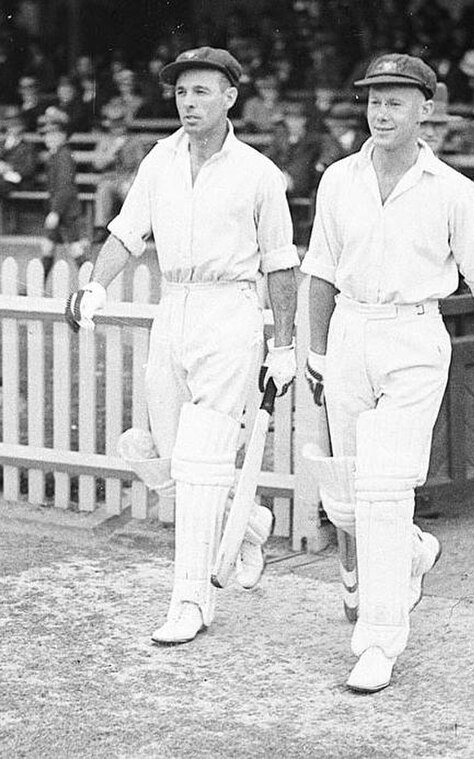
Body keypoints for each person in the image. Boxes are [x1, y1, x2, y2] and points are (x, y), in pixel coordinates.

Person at [301, 53, 474, 694]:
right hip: (349, 332)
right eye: (374, 99)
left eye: (397, 100)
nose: (381, 111)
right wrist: (316, 353)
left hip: (414, 337)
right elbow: (319, 270)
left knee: (382, 491)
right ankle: (412, 552)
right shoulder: (338, 179)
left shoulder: (453, 190)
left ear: (427, 109)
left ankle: (378, 642)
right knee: (346, 497)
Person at [64, 47, 299, 646]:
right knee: (167, 459)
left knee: (198, 463)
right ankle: (246, 520)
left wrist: (285, 344)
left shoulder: (258, 173)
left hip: (230, 311)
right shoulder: (158, 162)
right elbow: (125, 233)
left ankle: (191, 600)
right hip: (175, 307)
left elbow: (279, 265)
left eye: (201, 91)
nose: (188, 103)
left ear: (229, 98)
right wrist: (95, 284)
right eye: (181, 93)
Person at [39, 107, 89, 279]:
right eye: (46, 135)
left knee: (75, 248)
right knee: (47, 246)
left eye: (53, 135)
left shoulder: (64, 156)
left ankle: (92, 285)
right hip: (60, 210)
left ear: (63, 136)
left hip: (66, 212)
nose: (48, 138)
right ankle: (37, 285)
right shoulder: (56, 155)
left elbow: (65, 187)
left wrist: (55, 212)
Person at [91, 103, 148, 244]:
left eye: (120, 124)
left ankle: (135, 230)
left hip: (129, 179)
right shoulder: (105, 140)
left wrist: (131, 180)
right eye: (114, 124)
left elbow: (142, 165)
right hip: (110, 179)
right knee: (104, 189)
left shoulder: (134, 141)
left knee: (130, 191)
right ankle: (101, 228)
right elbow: (97, 164)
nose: (118, 128)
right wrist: (112, 150)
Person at [0, 105, 37, 197]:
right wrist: (7, 147)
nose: (10, 131)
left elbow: (29, 168)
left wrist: (10, 167)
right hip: (4, 178)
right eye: (9, 129)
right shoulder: (3, 144)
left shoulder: (28, 147)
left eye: (13, 128)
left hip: (21, 180)